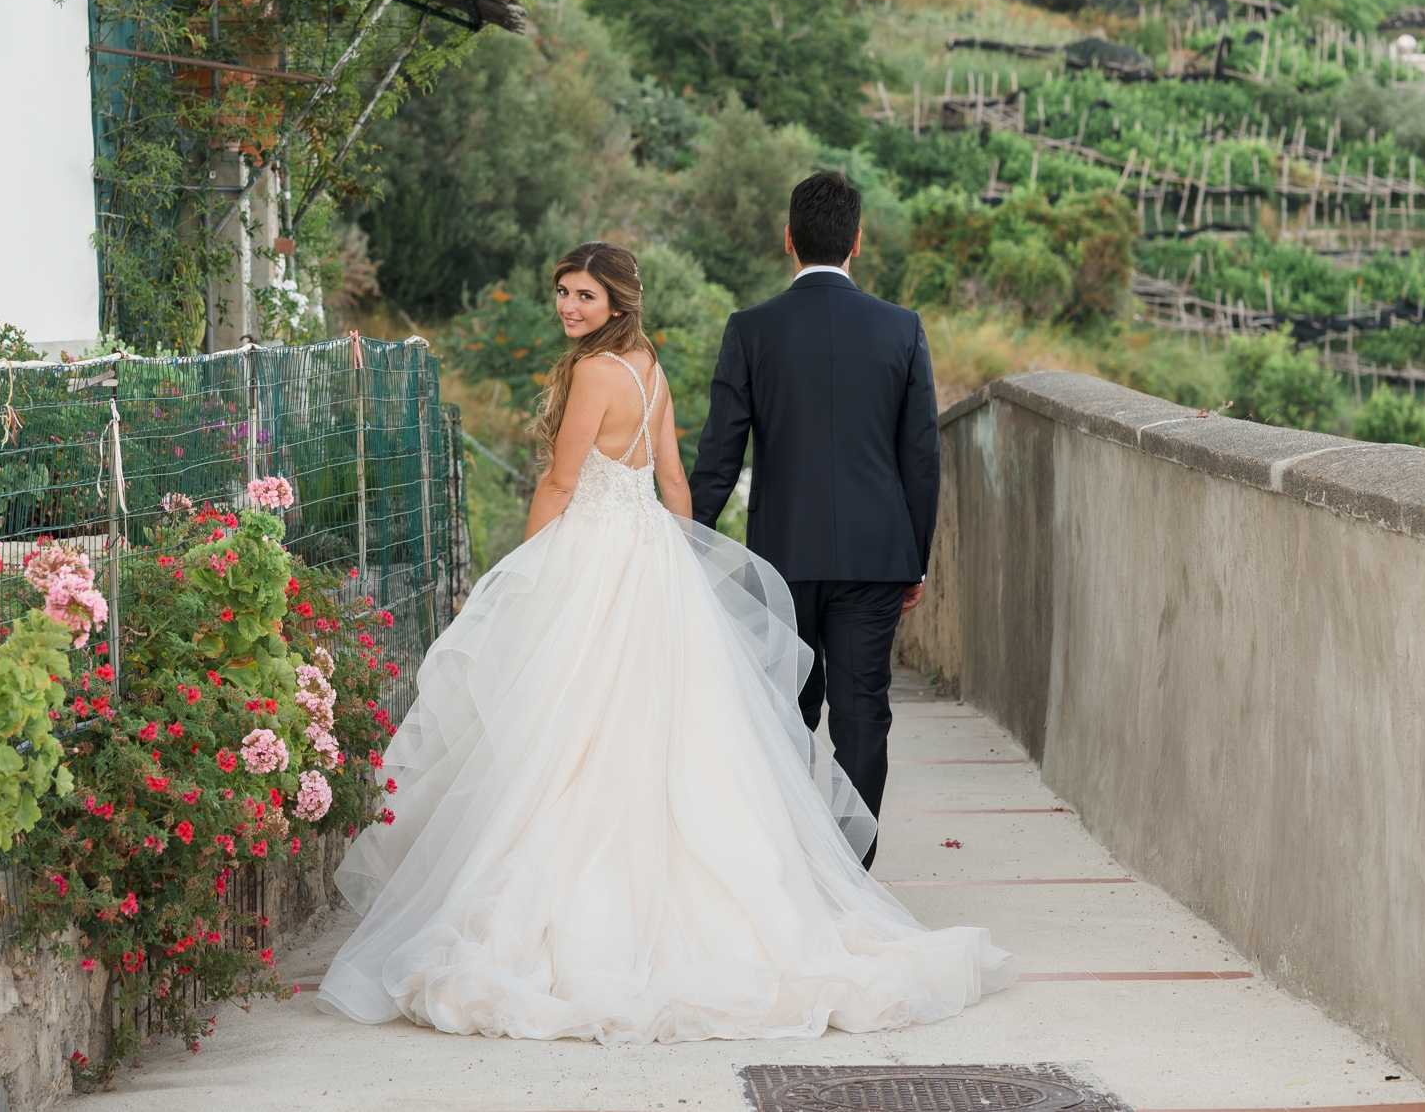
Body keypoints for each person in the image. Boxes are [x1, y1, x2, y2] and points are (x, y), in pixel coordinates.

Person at [316, 240, 1014, 1043]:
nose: (568, 308)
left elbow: (559, 481)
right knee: (668, 737)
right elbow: (675, 481)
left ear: (616, 301)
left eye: (583, 295)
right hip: (653, 558)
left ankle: (590, 916)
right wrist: (683, 560)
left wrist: (523, 574)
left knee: (575, 730)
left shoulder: (592, 372)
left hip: (594, 561)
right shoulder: (649, 368)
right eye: (563, 294)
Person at [689, 172, 940, 871]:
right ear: (858, 240)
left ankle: (795, 866)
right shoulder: (902, 328)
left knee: (788, 707)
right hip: (876, 555)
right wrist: (915, 556)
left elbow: (718, 456)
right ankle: (850, 870)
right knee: (863, 708)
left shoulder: (751, 330)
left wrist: (685, 542)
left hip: (783, 556)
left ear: (789, 239)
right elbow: (921, 457)